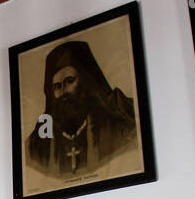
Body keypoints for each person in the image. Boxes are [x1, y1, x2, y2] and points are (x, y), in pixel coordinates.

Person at [25, 40, 138, 176]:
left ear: (85, 80)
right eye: (57, 86)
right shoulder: (38, 141)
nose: (63, 92)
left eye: (69, 81)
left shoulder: (118, 120)